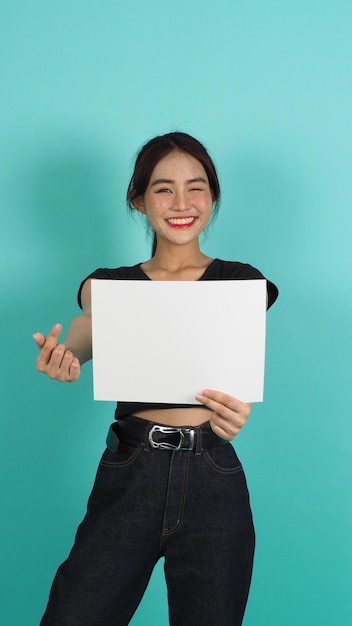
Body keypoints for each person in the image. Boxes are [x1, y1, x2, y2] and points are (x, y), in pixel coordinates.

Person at [34, 132, 278, 626]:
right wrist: (70, 354)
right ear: (139, 200)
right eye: (164, 189)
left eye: (197, 187)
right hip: (131, 469)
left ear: (212, 196)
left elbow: (238, 359)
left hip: (214, 474)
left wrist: (235, 411)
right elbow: (89, 327)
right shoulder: (111, 285)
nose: (182, 203)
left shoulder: (240, 283)